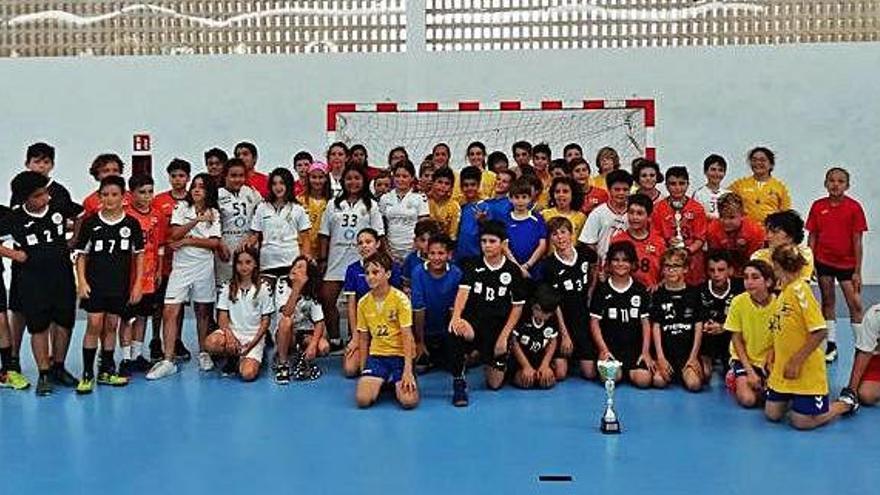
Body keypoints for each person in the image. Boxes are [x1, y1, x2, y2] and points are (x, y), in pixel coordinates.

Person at [5, 143, 83, 390]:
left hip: (61, 274)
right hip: (32, 279)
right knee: (37, 325)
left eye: (45, 193)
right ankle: (44, 373)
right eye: (38, 196)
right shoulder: (15, 217)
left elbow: (80, 215)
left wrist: (73, 241)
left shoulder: (59, 204)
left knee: (64, 322)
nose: (45, 198)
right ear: (25, 198)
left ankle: (59, 367)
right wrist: (15, 255)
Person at [764, 245, 849, 429]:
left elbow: (820, 331)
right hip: (783, 370)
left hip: (804, 370)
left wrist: (796, 361)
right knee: (772, 414)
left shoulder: (800, 291)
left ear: (777, 266)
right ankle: (795, 399)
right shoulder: (784, 292)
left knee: (801, 422)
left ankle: (844, 404)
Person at [74, 176, 145, 394]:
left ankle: (107, 370)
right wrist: (82, 281)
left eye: (114, 194)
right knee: (94, 324)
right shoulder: (91, 223)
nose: (109, 199)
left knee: (112, 325)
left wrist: (137, 284)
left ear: (124, 197)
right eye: (105, 195)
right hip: (95, 285)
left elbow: (139, 256)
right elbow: (81, 255)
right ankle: (87, 374)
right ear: (99, 197)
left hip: (119, 285)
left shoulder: (131, 224)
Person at [147, 173, 222, 379]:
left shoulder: (214, 212)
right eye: (194, 186)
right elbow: (174, 235)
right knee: (170, 310)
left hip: (204, 267)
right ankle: (168, 359)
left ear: (208, 191)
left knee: (203, 312)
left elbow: (214, 243)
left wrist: (189, 241)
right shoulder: (181, 208)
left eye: (201, 187)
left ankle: (204, 353)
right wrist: (196, 221)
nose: (197, 190)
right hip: (181, 268)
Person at [448, 221, 527, 405]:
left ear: (502, 244)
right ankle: (459, 383)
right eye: (484, 241)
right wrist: (456, 317)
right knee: (455, 329)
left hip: (497, 328)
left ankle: (484, 356)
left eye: (492, 241)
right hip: (474, 324)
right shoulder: (472, 265)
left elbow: (517, 307)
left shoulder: (512, 270)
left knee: (495, 384)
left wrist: (504, 337)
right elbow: (463, 292)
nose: (487, 245)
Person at [318, 165, 384, 354]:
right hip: (336, 259)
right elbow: (324, 234)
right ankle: (336, 338)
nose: (353, 182)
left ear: (363, 181)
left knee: (363, 301)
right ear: (342, 181)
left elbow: (379, 234)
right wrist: (323, 260)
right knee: (327, 298)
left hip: (362, 261)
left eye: (357, 178)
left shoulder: (371, 205)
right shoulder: (333, 204)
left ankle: (364, 338)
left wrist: (381, 259)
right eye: (349, 178)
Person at [806, 167, 867, 363]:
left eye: (840, 181)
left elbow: (857, 241)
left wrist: (857, 271)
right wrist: (811, 263)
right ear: (826, 183)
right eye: (831, 180)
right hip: (824, 262)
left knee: (855, 305)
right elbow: (812, 236)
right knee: (828, 302)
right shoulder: (817, 206)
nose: (835, 184)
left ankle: (862, 345)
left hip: (847, 264)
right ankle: (830, 345)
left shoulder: (854, 208)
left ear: (847, 186)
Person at [354, 252, 419, 409]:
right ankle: (383, 380)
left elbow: (407, 335)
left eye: (375, 272)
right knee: (362, 400)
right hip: (377, 356)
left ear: (388, 274)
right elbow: (363, 338)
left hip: (400, 356)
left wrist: (408, 370)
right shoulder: (363, 303)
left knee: (409, 402)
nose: (370, 277)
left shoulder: (400, 299)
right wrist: (364, 371)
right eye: (367, 273)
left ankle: (396, 379)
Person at [118, 174, 166, 377]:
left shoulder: (157, 216)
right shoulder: (125, 216)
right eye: (142, 192)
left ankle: (138, 355)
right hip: (129, 277)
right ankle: (126, 358)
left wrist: (158, 269)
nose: (147, 196)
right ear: (131, 193)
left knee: (142, 316)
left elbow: (160, 246)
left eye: (150, 192)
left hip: (149, 276)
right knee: (127, 318)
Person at [588, 241, 654, 387]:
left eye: (625, 260)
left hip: (634, 349)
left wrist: (645, 352)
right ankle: (614, 368)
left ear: (632, 264)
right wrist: (603, 350)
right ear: (609, 263)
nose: (620, 264)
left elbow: (645, 323)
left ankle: (631, 370)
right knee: (610, 378)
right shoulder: (602, 290)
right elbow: (594, 322)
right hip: (610, 348)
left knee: (644, 381)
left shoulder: (639, 290)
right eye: (616, 260)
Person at [204, 247, 274, 382]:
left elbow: (266, 321)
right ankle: (232, 357)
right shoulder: (227, 287)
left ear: (255, 264)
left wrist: (253, 344)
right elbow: (222, 316)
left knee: (248, 374)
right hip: (233, 332)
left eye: (248, 262)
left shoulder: (263, 288)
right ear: (235, 265)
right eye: (239, 263)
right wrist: (229, 336)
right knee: (210, 343)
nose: (244, 266)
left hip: (253, 337)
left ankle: (252, 358)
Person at [542, 217, 598, 380]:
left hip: (583, 319)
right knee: (560, 374)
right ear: (550, 239)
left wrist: (591, 289)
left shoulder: (585, 253)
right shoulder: (549, 265)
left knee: (589, 373)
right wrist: (564, 334)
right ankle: (555, 358)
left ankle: (579, 356)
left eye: (563, 232)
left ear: (571, 234)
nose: (560, 237)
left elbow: (595, 265)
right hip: (563, 320)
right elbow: (554, 304)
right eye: (554, 234)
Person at [341, 229, 402, 377]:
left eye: (368, 242)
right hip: (364, 328)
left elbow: (398, 303)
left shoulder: (392, 268)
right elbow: (351, 305)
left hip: (388, 329)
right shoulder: (352, 270)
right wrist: (355, 337)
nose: (364, 246)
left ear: (378, 243)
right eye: (360, 243)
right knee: (350, 370)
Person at [152, 158, 192, 361]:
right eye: (174, 176)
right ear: (168, 177)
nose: (177, 180)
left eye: (181, 176)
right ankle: (155, 341)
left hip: (185, 261)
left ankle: (176, 339)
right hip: (163, 261)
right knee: (160, 305)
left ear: (188, 177)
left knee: (179, 304)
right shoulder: (158, 200)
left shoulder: (193, 201)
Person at [650, 248, 705, 392]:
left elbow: (698, 327)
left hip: (687, 354)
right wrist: (660, 357)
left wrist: (693, 357)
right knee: (658, 381)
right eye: (667, 266)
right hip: (667, 354)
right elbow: (656, 327)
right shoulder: (657, 295)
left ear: (685, 269)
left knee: (694, 385)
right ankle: (669, 369)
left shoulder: (694, 293)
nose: (671, 270)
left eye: (676, 266)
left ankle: (692, 369)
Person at [724, 260, 777, 408]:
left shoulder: (780, 303)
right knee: (748, 400)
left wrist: (772, 363)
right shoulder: (738, 302)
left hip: (771, 360)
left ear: (768, 281)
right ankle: (734, 376)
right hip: (745, 359)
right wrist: (750, 372)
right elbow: (736, 339)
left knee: (776, 400)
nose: (749, 282)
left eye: (755, 277)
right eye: (746, 277)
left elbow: (782, 337)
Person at [249, 167, 311, 287]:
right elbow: (255, 235)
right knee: (266, 302)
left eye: (282, 183)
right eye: (274, 183)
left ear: (288, 184)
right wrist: (246, 243)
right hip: (267, 263)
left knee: (287, 303)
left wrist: (303, 262)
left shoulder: (298, 208)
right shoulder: (262, 207)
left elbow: (306, 238)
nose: (278, 187)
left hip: (290, 262)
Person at [411, 234, 462, 374]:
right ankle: (427, 353)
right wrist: (419, 342)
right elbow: (418, 308)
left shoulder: (456, 273)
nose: (436, 257)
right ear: (427, 253)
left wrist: (454, 343)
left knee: (456, 365)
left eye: (441, 253)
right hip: (424, 330)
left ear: (449, 255)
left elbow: (454, 309)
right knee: (419, 369)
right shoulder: (418, 272)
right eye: (432, 253)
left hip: (446, 330)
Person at [275, 257, 328, 384]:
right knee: (286, 321)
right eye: (294, 265)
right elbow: (287, 313)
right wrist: (296, 288)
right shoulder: (282, 284)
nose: (294, 269)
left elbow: (319, 322)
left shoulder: (312, 289)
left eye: (300, 267)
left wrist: (313, 346)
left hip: (305, 332)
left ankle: (303, 358)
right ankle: (282, 364)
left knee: (324, 347)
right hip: (287, 332)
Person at [652, 166, 708, 285]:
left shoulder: (697, 208)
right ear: (666, 185)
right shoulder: (658, 208)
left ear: (688, 184)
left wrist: (687, 251)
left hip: (693, 262)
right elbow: (655, 236)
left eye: (681, 183)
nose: (677, 188)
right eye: (673, 184)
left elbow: (700, 238)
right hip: (668, 261)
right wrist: (667, 242)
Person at [215, 158, 261, 287]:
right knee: (225, 287)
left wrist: (254, 236)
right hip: (226, 245)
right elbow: (212, 223)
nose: (237, 179)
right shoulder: (217, 194)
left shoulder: (251, 192)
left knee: (248, 285)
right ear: (225, 175)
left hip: (248, 244)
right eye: (233, 176)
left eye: (241, 176)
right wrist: (219, 243)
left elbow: (261, 217)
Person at [698, 250, 744, 380]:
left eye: (721, 270)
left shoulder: (740, 289)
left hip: (731, 339)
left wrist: (724, 327)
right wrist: (705, 325)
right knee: (704, 375)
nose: (716, 274)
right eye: (712, 270)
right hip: (707, 340)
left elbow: (746, 319)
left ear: (730, 270)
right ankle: (706, 360)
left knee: (731, 376)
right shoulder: (700, 290)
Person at [610, 194, 665, 291]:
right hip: (624, 293)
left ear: (649, 216)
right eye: (631, 212)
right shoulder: (617, 240)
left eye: (640, 213)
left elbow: (666, 271)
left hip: (650, 294)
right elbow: (609, 269)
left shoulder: (658, 242)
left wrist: (659, 285)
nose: (634, 217)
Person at [511, 285, 561, 389]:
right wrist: (526, 366)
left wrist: (545, 365)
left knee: (547, 382)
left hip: (540, 357)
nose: (548, 316)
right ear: (535, 307)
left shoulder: (551, 318)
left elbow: (553, 341)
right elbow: (514, 342)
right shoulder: (523, 315)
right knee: (526, 382)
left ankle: (540, 370)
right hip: (522, 359)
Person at [379, 159, 430, 262]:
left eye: (405, 176)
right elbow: (381, 227)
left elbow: (424, 228)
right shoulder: (385, 198)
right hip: (390, 251)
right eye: (397, 176)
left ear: (412, 178)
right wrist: (388, 252)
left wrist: (415, 251)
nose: (400, 179)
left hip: (413, 251)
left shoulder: (420, 198)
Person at [705, 192, 765, 277]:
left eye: (731, 217)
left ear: (742, 215)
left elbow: (755, 261)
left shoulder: (755, 231)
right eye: (722, 216)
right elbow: (716, 259)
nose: (726, 222)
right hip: (724, 271)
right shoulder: (712, 229)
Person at [578, 169, 631, 264]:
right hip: (604, 267)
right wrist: (600, 260)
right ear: (609, 190)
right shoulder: (598, 213)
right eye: (617, 189)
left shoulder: (634, 213)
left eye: (625, 190)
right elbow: (588, 242)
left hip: (628, 266)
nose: (621, 193)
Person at [729, 147, 791, 224]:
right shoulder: (739, 185)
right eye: (754, 160)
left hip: (769, 232)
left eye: (762, 160)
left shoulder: (780, 187)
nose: (758, 163)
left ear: (771, 165)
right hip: (745, 231)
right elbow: (723, 199)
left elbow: (786, 215)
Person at [751, 210, 814, 283]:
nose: (768, 236)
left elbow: (801, 285)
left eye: (775, 232)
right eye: (767, 232)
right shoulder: (758, 256)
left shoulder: (805, 253)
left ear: (791, 235)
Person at [504, 177, 547, 280]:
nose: (520, 201)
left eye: (524, 197)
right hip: (512, 270)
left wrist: (527, 265)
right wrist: (518, 268)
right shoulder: (505, 219)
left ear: (530, 198)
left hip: (534, 270)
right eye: (516, 197)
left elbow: (542, 245)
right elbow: (504, 246)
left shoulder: (537, 219)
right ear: (510, 198)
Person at [297, 161, 332, 261]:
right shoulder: (299, 200)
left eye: (321, 177)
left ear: (326, 179)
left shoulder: (330, 202)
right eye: (314, 177)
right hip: (302, 248)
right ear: (308, 178)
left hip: (323, 250)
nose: (317, 181)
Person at [453, 166, 486, 263]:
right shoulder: (458, 206)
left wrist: (483, 221)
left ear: (479, 185)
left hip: (477, 256)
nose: (469, 188)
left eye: (473, 185)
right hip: (458, 256)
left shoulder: (484, 206)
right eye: (466, 185)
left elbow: (489, 231)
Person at [542, 176, 586, 241]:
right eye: (557, 192)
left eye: (565, 191)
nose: (561, 195)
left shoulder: (581, 218)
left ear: (573, 194)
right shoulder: (544, 215)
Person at [401, 219, 442, 285]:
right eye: (423, 240)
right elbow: (406, 282)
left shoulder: (443, 260)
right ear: (415, 240)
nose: (427, 244)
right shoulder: (410, 259)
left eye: (431, 240)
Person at [691, 154, 730, 219]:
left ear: (724, 173)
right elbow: (695, 216)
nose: (716, 173)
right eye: (713, 169)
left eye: (720, 170)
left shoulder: (728, 194)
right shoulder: (698, 194)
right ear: (705, 171)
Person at [427, 166, 460, 240]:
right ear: (433, 183)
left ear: (451, 187)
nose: (443, 186)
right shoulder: (425, 202)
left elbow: (453, 234)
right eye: (440, 182)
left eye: (447, 184)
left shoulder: (454, 206)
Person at [530, 143, 553, 208]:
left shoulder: (552, 177)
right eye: (537, 158)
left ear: (549, 160)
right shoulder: (528, 176)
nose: (540, 161)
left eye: (543, 159)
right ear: (533, 159)